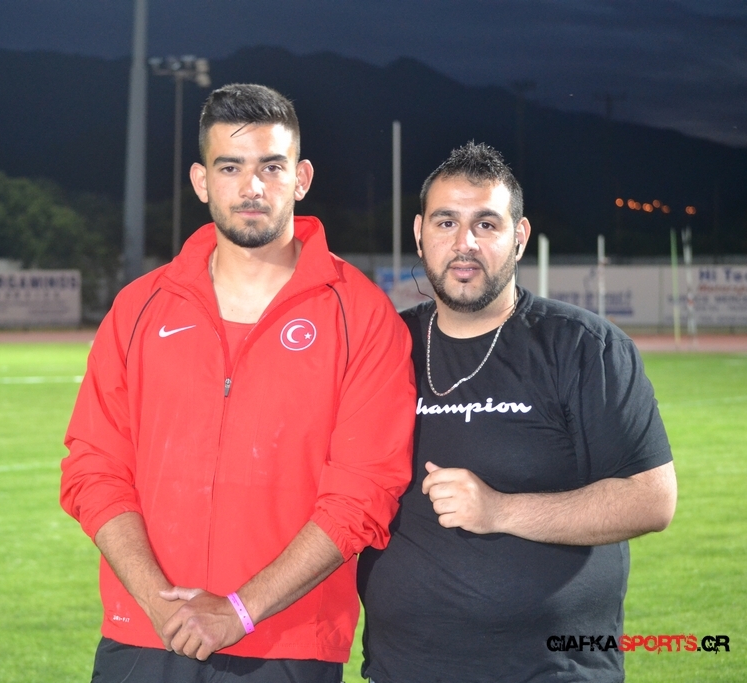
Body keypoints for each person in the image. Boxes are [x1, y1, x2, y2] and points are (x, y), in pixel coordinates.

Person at [61, 83, 416, 683]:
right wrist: (157, 603)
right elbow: (93, 469)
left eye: (271, 167)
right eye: (231, 167)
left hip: (289, 644)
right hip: (146, 636)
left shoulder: (362, 316)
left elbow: (363, 493)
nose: (252, 186)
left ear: (301, 178)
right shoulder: (139, 308)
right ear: (202, 182)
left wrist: (239, 610)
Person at [357, 141, 677, 683]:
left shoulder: (583, 347)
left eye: (486, 224)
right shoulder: (382, 347)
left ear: (520, 237)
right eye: (446, 223)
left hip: (552, 670)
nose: (464, 243)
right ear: (419, 233)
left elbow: (651, 499)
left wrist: (500, 511)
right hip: (402, 667)